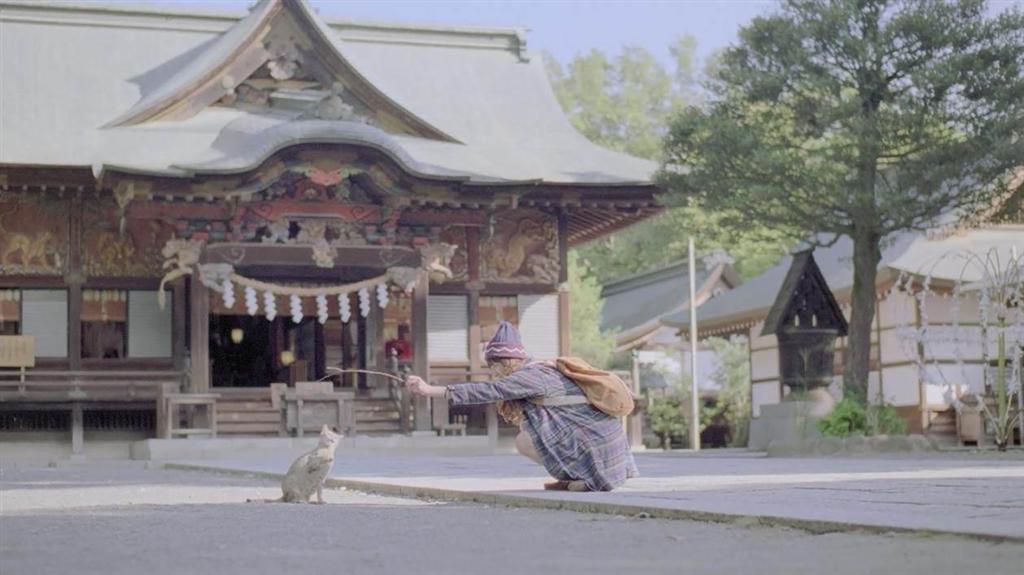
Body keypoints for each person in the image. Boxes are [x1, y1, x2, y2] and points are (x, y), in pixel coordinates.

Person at [405, 321, 638, 492]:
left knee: (524, 440)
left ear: (502, 362)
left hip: (602, 453)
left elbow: (487, 391)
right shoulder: (540, 370)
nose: (492, 373)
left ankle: (585, 478)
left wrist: (429, 390)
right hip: (606, 447)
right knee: (530, 428)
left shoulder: (529, 377)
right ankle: (574, 476)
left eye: (492, 367)